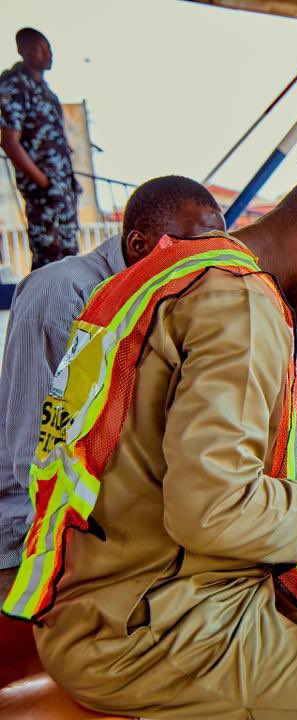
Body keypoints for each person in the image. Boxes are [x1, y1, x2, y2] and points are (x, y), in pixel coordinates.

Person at [2, 147, 297, 720]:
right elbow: (212, 510)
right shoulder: (242, 304)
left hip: (111, 598)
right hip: (161, 633)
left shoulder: (182, 271)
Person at [0, 175, 224, 575]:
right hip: (31, 528)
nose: (209, 266)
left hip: (113, 510)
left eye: (215, 250)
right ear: (139, 245)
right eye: (193, 251)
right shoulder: (63, 293)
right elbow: (37, 459)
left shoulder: (174, 295)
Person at [0, 28, 80, 269]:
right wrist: (43, 181)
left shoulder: (46, 91)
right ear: (22, 50)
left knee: (68, 257)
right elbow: (9, 141)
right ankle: (45, 307)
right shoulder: (15, 85)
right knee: (49, 257)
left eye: (49, 48)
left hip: (61, 187)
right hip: (43, 190)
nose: (47, 54)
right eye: (39, 48)